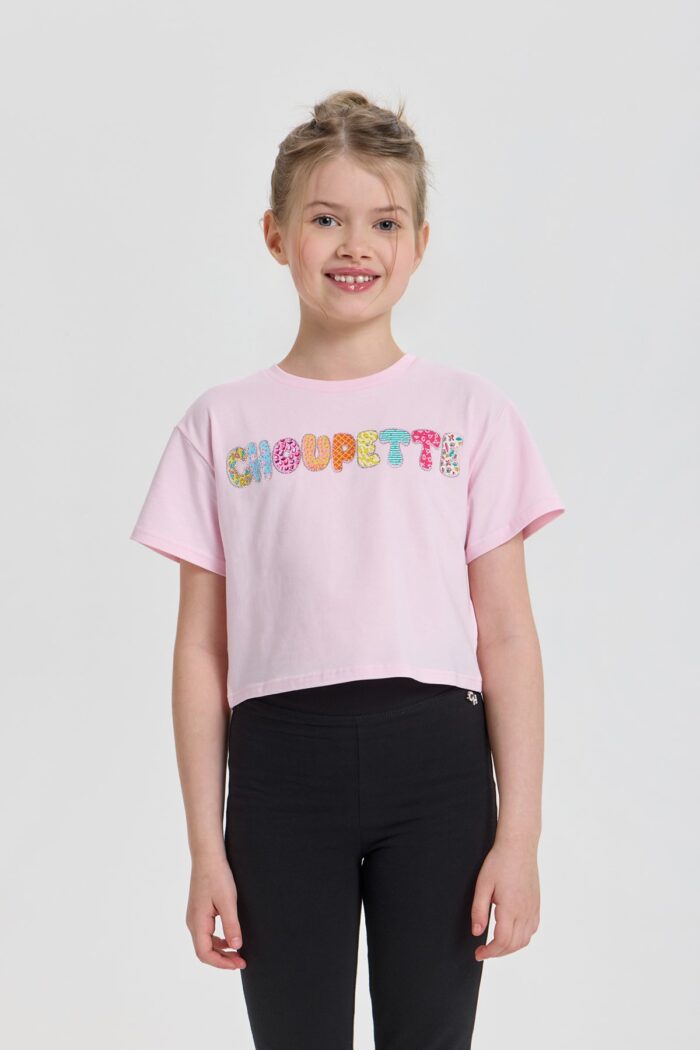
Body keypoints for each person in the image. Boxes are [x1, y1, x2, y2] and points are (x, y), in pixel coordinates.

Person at [129, 89, 566, 1050]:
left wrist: (521, 835)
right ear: (276, 235)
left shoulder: (470, 415)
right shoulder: (221, 425)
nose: (355, 245)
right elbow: (202, 651)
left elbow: (505, 633)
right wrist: (205, 846)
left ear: (419, 243)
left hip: (438, 770)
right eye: (326, 219)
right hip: (280, 774)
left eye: (384, 222)